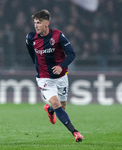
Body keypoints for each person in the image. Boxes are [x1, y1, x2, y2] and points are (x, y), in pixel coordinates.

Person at [26, 9, 84, 142]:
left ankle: (50, 110)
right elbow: (31, 53)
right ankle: (75, 132)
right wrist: (38, 66)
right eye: (35, 22)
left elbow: (71, 54)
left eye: (39, 23)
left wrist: (61, 66)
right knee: (57, 103)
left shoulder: (58, 36)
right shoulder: (30, 37)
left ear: (47, 23)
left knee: (61, 106)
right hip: (44, 78)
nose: (36, 25)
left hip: (61, 76)